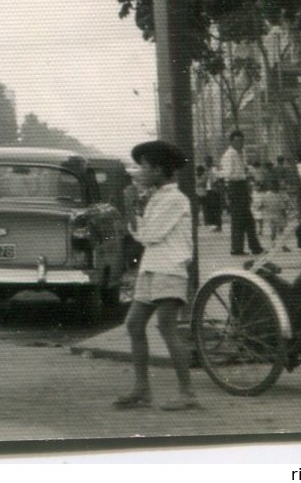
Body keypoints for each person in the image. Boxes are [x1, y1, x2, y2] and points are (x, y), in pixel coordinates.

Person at [114, 140, 199, 412]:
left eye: (146, 167)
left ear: (160, 170)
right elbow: (143, 234)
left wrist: (132, 214)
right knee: (134, 324)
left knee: (166, 327)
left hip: (170, 268)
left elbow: (149, 235)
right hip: (152, 267)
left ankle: (187, 393)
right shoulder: (157, 198)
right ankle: (142, 388)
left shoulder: (175, 199)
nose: (140, 172)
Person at [220, 130, 263, 255]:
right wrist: (243, 175)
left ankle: (254, 246)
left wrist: (247, 174)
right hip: (235, 187)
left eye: (241, 140)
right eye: (237, 141)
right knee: (238, 219)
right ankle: (237, 248)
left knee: (248, 218)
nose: (240, 143)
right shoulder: (229, 155)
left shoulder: (241, 153)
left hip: (243, 187)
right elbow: (227, 175)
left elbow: (244, 168)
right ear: (232, 141)